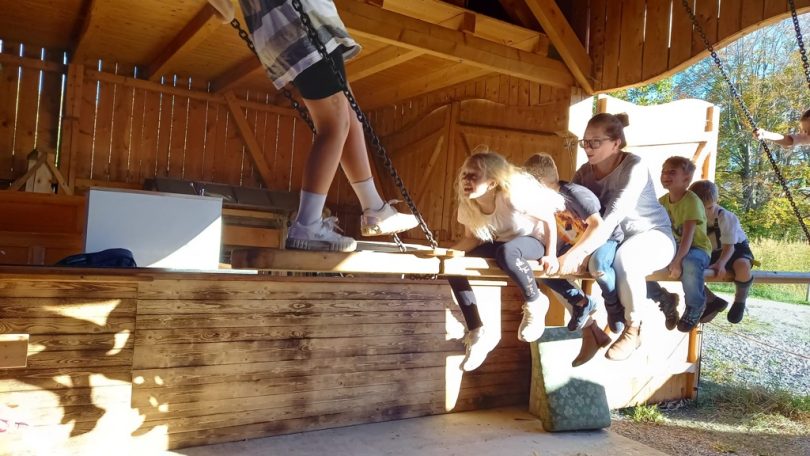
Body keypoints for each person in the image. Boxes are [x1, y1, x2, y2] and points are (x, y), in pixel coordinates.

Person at [207, 0, 418, 252]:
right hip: (299, 23)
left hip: (289, 27)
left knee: (348, 113)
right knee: (334, 123)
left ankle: (374, 207)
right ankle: (307, 223)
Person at [564, 113, 676, 361]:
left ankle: (633, 328)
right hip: (613, 239)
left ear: (616, 143)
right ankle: (590, 329)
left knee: (626, 260)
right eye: (585, 142)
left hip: (653, 236)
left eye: (595, 142)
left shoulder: (634, 166)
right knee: (553, 263)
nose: (588, 148)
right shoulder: (583, 173)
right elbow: (568, 213)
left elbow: (614, 214)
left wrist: (581, 251)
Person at [448, 150, 564, 371]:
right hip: (505, 245)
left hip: (535, 241)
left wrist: (550, 254)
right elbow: (471, 239)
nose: (466, 180)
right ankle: (477, 330)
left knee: (506, 252)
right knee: (455, 266)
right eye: (464, 175)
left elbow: (549, 220)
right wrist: (448, 256)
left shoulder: (510, 198)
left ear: (492, 183)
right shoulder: (468, 206)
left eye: (474, 176)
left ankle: (536, 301)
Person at [523, 153, 618, 366]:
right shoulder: (547, 201)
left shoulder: (574, 194)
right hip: (576, 243)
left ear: (538, 180)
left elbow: (598, 227)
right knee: (544, 269)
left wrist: (577, 254)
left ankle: (606, 311)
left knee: (590, 267)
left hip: (602, 241)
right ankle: (588, 321)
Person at [646, 157, 712, 333]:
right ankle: (663, 297)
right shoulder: (662, 202)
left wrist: (677, 261)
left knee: (690, 263)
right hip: (674, 248)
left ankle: (696, 305)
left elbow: (688, 236)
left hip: (696, 249)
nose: (665, 175)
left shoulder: (691, 201)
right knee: (636, 263)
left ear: (686, 179)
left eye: (672, 172)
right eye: (664, 172)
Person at [689, 180, 755, 324]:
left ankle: (740, 299)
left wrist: (721, 263)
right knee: (689, 268)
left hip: (735, 248)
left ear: (715, 201)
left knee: (742, 266)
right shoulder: (690, 215)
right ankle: (711, 300)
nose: (705, 212)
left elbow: (729, 247)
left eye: (709, 207)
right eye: (699, 208)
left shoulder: (724, 216)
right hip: (710, 251)